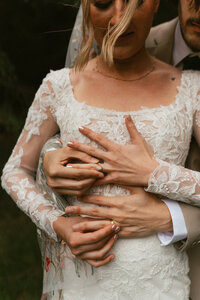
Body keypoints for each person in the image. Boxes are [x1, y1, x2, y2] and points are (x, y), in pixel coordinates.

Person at [1, 0, 200, 298]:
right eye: (104, 3)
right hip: (78, 284)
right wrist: (56, 224)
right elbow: (15, 170)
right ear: (86, 6)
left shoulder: (191, 89)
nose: (119, 19)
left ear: (156, 3)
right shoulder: (58, 86)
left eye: (134, 4)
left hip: (159, 285)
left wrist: (155, 173)